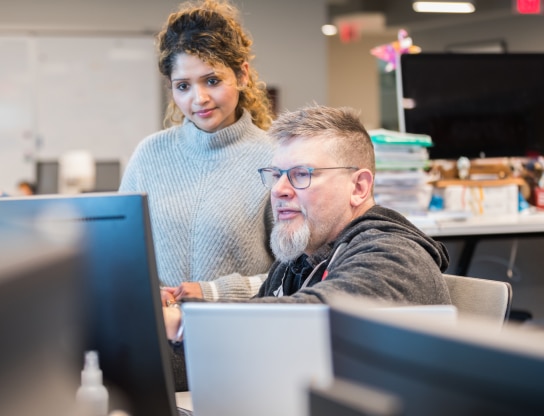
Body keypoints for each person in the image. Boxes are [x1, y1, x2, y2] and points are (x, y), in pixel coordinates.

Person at [164, 104, 452, 341]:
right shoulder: (298, 259)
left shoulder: (395, 258)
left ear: (359, 187)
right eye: (276, 175)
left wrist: (183, 321)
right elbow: (244, 345)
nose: (279, 189)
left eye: (301, 174)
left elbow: (318, 316)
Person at [119, 0, 276, 302]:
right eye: (183, 86)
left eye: (212, 81)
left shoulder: (275, 158)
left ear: (242, 75)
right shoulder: (149, 155)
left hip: (238, 337)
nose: (199, 98)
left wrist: (216, 291)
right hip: (158, 338)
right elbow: (119, 254)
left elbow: (296, 275)